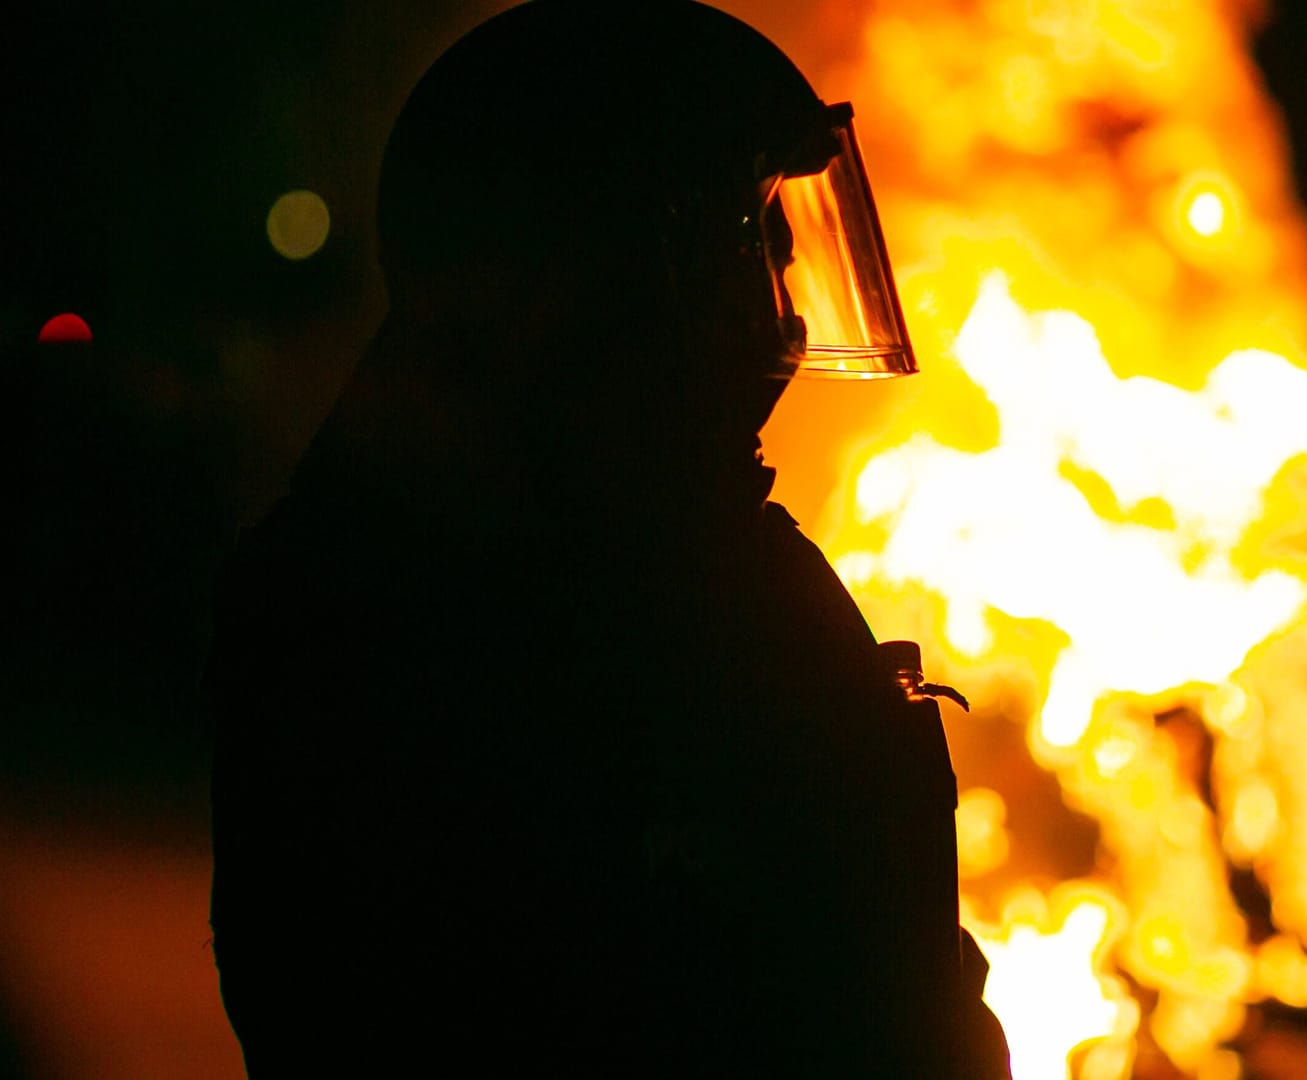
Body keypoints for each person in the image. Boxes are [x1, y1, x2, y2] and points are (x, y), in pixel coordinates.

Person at [203, 2, 1011, 1075]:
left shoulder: (633, 543)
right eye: (749, 248)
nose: (786, 314)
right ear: (629, 271)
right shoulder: (438, 626)